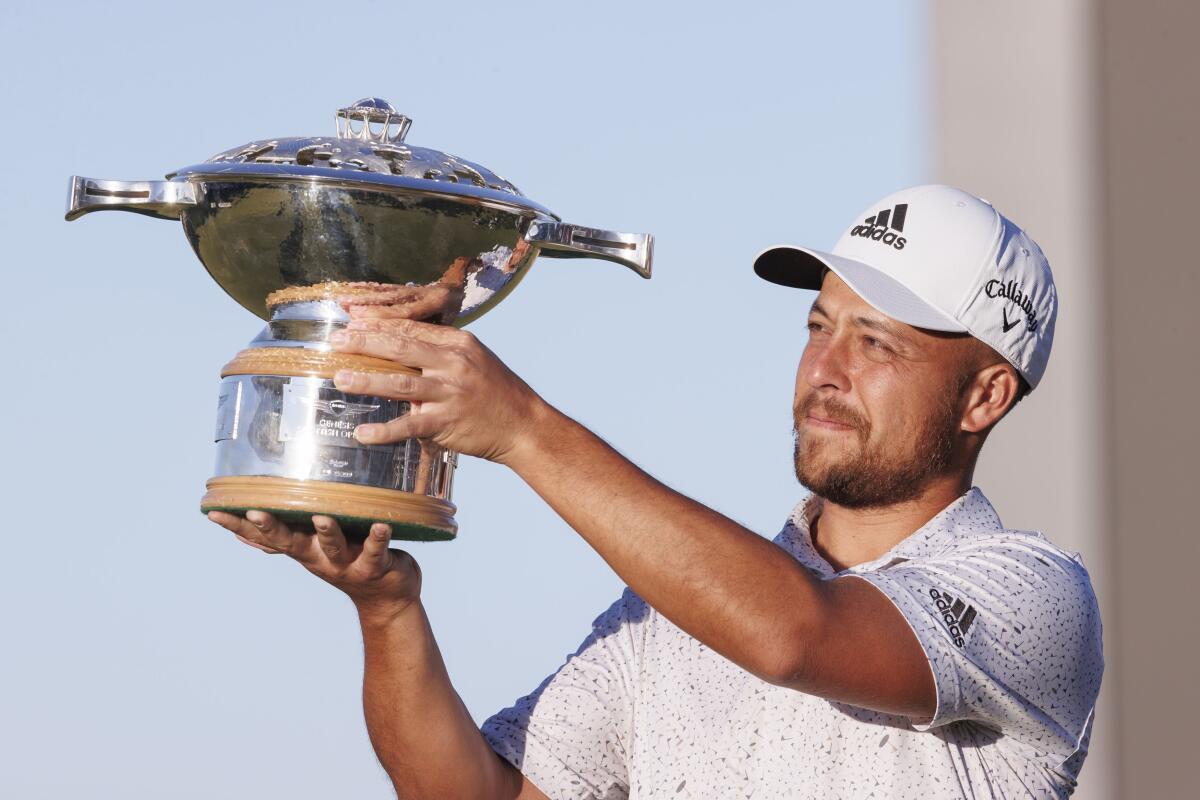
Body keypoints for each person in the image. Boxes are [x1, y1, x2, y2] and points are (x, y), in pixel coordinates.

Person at [208, 184, 1103, 799]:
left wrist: (520, 426)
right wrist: (388, 609)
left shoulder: (1034, 597)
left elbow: (796, 636)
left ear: (985, 396)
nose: (824, 371)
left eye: (878, 344)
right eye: (818, 326)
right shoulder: (679, 610)